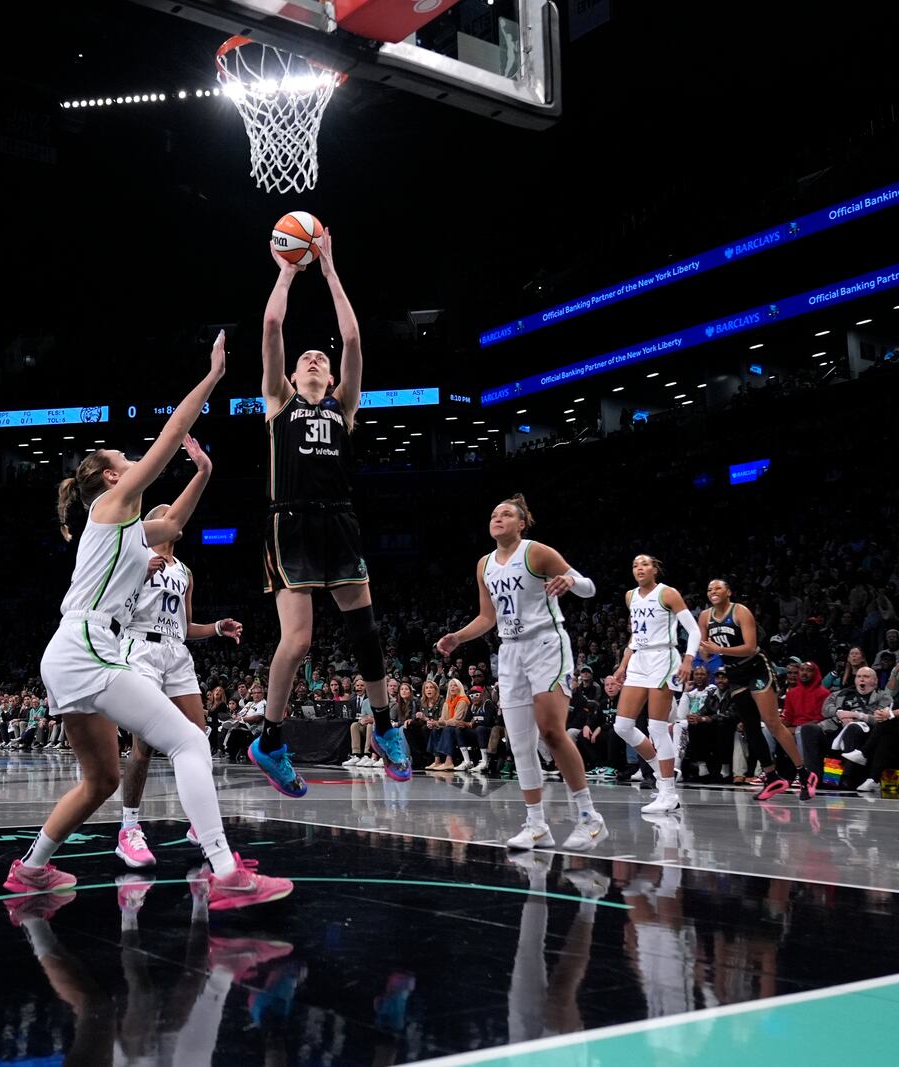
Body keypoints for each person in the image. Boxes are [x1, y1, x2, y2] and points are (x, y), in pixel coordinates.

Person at [4, 333, 291, 912]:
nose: (133, 465)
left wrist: (204, 469)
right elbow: (162, 446)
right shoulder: (109, 508)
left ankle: (30, 870)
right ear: (111, 479)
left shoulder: (127, 528)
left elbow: (176, 521)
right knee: (189, 742)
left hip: (68, 650)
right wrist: (210, 379)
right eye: (124, 463)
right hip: (89, 645)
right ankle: (225, 871)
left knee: (101, 781)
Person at [252, 230, 409, 795]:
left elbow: (352, 336)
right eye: (306, 359)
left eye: (321, 358)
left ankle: (387, 726)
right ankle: (270, 738)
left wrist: (331, 268)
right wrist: (290, 269)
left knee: (364, 627)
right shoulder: (279, 403)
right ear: (293, 377)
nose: (316, 358)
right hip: (290, 520)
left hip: (340, 518)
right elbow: (272, 328)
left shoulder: (345, 407)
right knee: (297, 642)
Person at [436, 495, 607, 851]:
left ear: (521, 523)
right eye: (494, 513)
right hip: (510, 651)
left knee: (551, 731)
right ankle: (536, 824)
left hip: (546, 644)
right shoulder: (484, 564)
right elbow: (488, 617)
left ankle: (590, 818)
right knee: (519, 742)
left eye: (507, 514)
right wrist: (458, 637)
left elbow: (588, 586)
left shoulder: (536, 552)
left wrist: (571, 583)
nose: (498, 518)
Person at [113, 449, 244, 869]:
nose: (178, 517)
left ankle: (196, 822)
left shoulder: (185, 570)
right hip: (140, 649)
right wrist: (138, 577)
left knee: (199, 739)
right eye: (170, 512)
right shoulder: (134, 557)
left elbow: (186, 626)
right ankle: (129, 827)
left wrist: (216, 629)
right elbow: (114, 609)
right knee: (145, 744)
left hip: (176, 651)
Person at [699, 579, 815, 801]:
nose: (713, 591)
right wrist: (703, 648)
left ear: (729, 592)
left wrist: (718, 648)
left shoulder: (741, 612)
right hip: (734, 674)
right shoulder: (705, 617)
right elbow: (705, 654)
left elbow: (750, 647)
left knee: (772, 723)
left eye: (718, 588)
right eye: (709, 589)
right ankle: (772, 777)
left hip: (756, 668)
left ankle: (804, 772)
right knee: (749, 728)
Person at [606, 556, 700, 815]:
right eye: (635, 564)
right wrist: (624, 665)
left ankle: (668, 793)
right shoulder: (630, 596)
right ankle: (664, 772)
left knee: (657, 727)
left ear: (655, 569)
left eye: (645, 564)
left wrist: (688, 659)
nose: (639, 568)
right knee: (623, 726)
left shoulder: (667, 593)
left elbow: (693, 630)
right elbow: (635, 636)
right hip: (639, 659)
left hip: (664, 658)